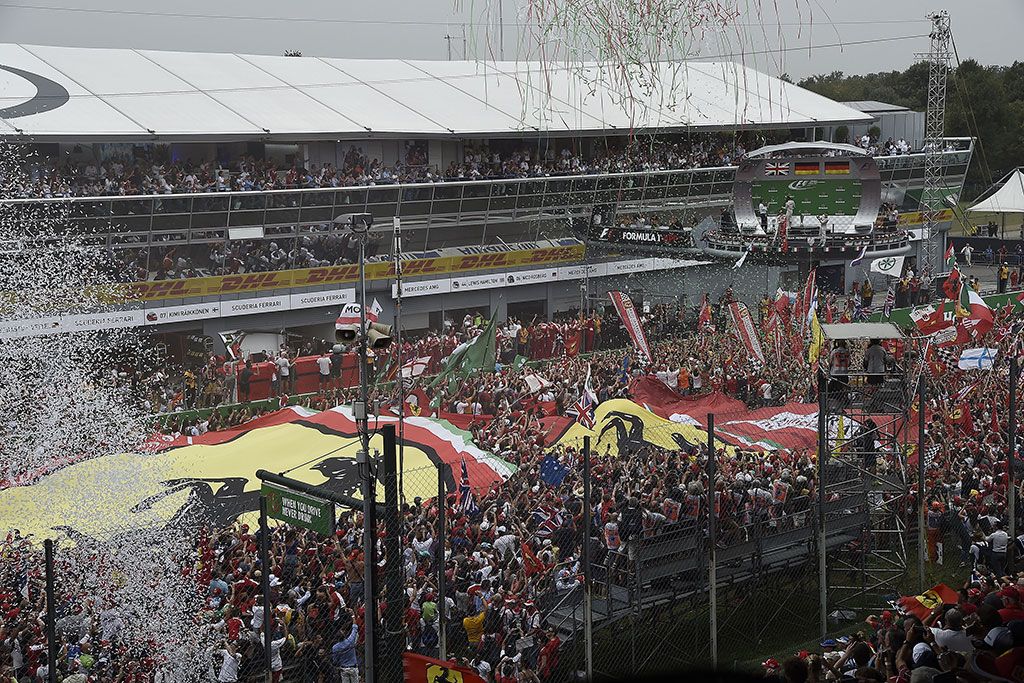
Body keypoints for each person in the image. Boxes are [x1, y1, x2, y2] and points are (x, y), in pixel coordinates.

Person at [331, 619, 360, 683]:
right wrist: (353, 616)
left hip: (343, 668)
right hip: (353, 668)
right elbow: (354, 628)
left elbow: (335, 660)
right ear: (344, 636)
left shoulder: (335, 647)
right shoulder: (350, 641)